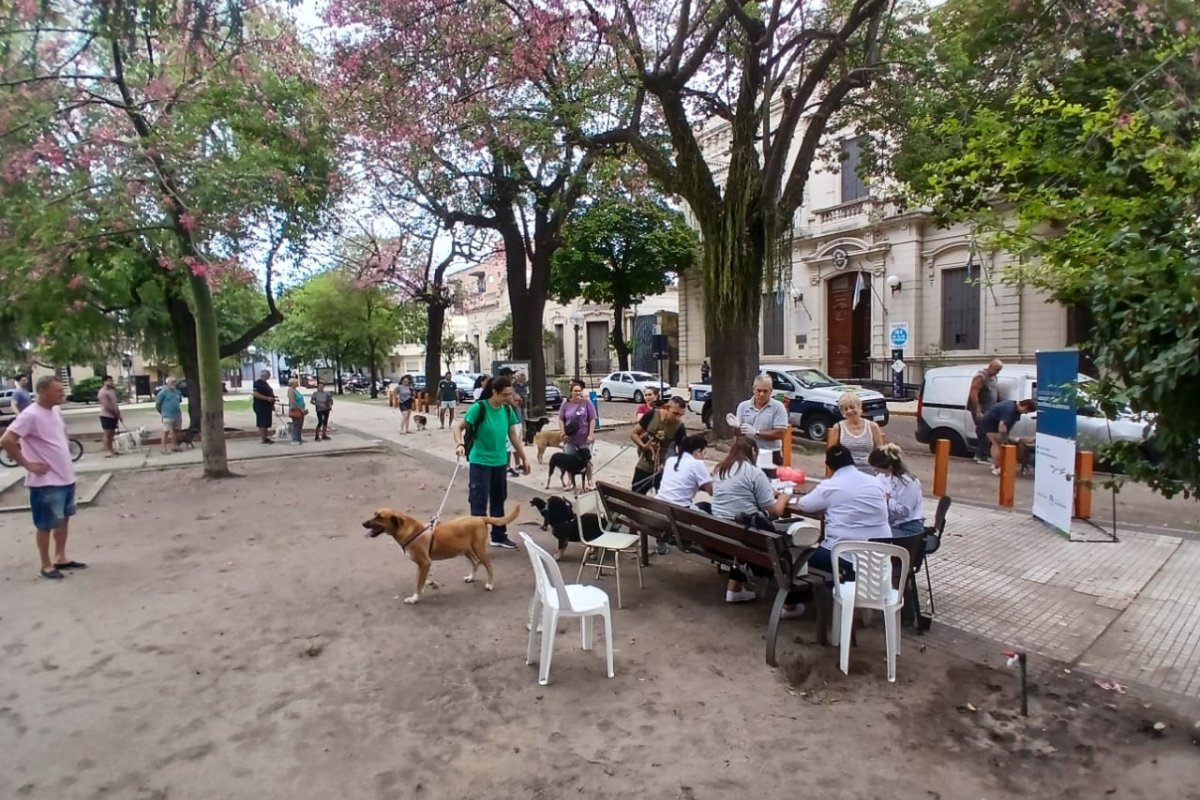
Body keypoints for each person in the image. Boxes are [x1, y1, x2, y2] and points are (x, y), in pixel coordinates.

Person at [0, 376, 84, 579]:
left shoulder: (55, 410)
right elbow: (7, 440)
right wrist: (28, 464)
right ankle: (46, 565)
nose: (62, 394)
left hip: (65, 477)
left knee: (63, 520)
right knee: (45, 524)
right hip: (46, 482)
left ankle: (61, 557)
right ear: (43, 392)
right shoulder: (30, 415)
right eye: (58, 391)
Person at [709, 436, 792, 604]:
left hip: (721, 533)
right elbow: (775, 511)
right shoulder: (754, 472)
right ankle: (791, 603)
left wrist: (768, 493)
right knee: (790, 532)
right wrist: (784, 496)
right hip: (746, 536)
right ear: (753, 451)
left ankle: (734, 588)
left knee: (744, 535)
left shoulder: (720, 469)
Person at [454, 375, 530, 549]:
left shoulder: (507, 410)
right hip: (480, 461)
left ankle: (498, 535)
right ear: (494, 392)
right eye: (504, 395)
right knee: (479, 502)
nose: (508, 398)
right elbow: (458, 426)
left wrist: (524, 457)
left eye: (509, 394)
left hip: (499, 462)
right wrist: (459, 444)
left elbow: (513, 436)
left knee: (498, 499)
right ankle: (476, 540)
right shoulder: (479, 408)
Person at [794, 445, 892, 579]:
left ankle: (819, 593)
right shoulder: (876, 482)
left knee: (801, 557)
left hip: (845, 555)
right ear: (852, 461)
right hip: (879, 555)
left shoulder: (830, 486)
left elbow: (804, 504)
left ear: (829, 467)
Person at [630, 395, 687, 494]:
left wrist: (671, 464)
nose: (677, 417)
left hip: (663, 470)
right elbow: (633, 433)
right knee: (636, 496)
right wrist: (643, 446)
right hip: (644, 465)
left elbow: (683, 452)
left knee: (663, 500)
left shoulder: (679, 427)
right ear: (666, 408)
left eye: (680, 415)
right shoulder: (652, 415)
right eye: (675, 413)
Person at [733, 374, 789, 473]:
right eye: (758, 391)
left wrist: (757, 433)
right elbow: (738, 435)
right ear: (753, 389)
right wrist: (736, 427)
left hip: (770, 453)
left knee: (770, 483)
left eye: (765, 391)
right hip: (748, 453)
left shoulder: (778, 407)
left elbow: (780, 433)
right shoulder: (743, 406)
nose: (761, 394)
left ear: (771, 391)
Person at [868, 443, 925, 536]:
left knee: (877, 537)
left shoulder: (909, 482)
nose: (876, 471)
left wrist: (888, 500)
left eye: (878, 468)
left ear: (889, 466)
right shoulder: (881, 477)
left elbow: (905, 512)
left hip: (908, 526)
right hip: (889, 523)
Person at [827, 391, 885, 469]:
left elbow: (880, 453)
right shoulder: (838, 428)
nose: (849, 411)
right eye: (845, 409)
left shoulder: (872, 427)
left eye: (852, 407)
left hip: (869, 470)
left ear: (859, 406)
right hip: (846, 470)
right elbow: (831, 455)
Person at [980, 398, 1038, 475]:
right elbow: (1002, 425)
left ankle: (995, 465)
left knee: (995, 444)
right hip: (991, 426)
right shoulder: (1009, 410)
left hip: (990, 424)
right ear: (1024, 407)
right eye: (1027, 411)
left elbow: (1008, 424)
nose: (1026, 413)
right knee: (999, 445)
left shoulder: (1013, 407)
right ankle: (998, 467)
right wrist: (1005, 440)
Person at [656, 434, 714, 510]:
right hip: (680, 510)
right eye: (704, 453)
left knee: (701, 505)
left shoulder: (670, 460)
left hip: (659, 504)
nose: (704, 457)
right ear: (698, 451)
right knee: (707, 507)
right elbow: (712, 491)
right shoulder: (697, 463)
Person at [969, 359, 1004, 464]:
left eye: (999, 370)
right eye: (997, 369)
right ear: (990, 366)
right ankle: (981, 456)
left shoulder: (994, 377)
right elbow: (973, 393)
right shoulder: (981, 376)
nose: (997, 372)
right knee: (984, 432)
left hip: (991, 410)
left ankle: (983, 454)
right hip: (982, 409)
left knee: (988, 432)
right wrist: (978, 410)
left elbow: (996, 391)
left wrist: (1000, 403)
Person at [155, 377, 184, 454]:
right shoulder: (162, 393)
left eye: (175, 382)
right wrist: (162, 412)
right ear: (167, 383)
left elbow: (179, 402)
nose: (174, 383)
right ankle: (163, 448)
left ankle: (174, 446)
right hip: (167, 415)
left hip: (177, 415)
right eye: (172, 382)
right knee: (166, 431)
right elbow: (158, 404)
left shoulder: (178, 392)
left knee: (176, 431)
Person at [97, 374, 122, 458]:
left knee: (112, 433)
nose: (111, 382)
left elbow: (115, 403)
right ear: (104, 382)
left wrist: (118, 414)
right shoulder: (102, 392)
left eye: (111, 380)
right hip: (106, 415)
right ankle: (107, 451)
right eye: (109, 380)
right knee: (107, 434)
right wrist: (114, 413)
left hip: (114, 415)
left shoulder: (112, 390)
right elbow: (106, 405)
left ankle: (111, 449)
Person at [252, 369, 277, 444]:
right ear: (265, 375)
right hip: (261, 406)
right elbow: (255, 394)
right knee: (262, 422)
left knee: (266, 422)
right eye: (269, 375)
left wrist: (272, 402)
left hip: (267, 406)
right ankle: (263, 438)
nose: (269, 376)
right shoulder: (258, 383)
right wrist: (268, 398)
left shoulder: (265, 383)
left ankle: (265, 437)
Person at [286, 377, 307, 445]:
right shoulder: (290, 390)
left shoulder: (295, 390)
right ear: (292, 383)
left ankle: (298, 438)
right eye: (296, 382)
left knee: (300, 424)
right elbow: (292, 401)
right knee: (296, 424)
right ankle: (295, 439)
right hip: (295, 409)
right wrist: (299, 408)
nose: (297, 383)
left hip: (301, 409)